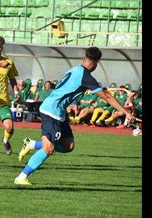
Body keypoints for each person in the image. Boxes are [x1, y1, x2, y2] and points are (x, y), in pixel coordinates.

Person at [14, 47, 137, 186]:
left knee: (68, 145)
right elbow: (107, 97)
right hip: (51, 111)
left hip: (59, 112)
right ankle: (22, 176)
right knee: (49, 148)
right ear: (96, 63)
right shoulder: (86, 77)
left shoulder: (75, 69)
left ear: (84, 58)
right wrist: (127, 112)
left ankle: (31, 144)